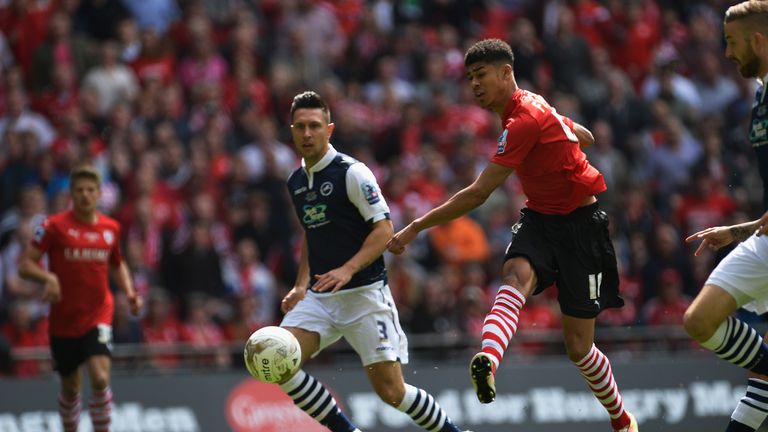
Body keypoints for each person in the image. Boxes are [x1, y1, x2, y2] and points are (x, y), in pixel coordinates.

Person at [387, 39, 638, 432]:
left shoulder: (523, 121)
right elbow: (584, 134)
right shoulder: (532, 107)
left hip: (582, 228)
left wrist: (417, 225)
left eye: (481, 75)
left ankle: (622, 421)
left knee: (579, 348)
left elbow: (478, 193)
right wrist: (566, 129)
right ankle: (488, 357)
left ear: (506, 73)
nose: (474, 85)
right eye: (470, 77)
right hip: (540, 219)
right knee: (515, 276)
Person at [278, 91, 469, 432]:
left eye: (315, 126)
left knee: (392, 393)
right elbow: (311, 232)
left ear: (329, 129)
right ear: (291, 130)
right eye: (301, 127)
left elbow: (384, 230)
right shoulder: (295, 181)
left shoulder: (353, 173)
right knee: (278, 360)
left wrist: (348, 269)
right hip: (320, 298)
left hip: (365, 296)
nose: (307, 134)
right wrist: (300, 284)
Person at [683, 3, 768, 432]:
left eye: (732, 42)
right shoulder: (760, 93)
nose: (727, 52)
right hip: (767, 241)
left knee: (761, 388)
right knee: (698, 320)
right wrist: (740, 229)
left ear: (757, 40)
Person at [19, 165, 142, 432]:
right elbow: (25, 265)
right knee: (71, 388)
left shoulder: (111, 229)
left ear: (99, 194)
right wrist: (48, 279)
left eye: (90, 190)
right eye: (79, 190)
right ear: (71, 195)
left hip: (98, 313)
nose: (85, 195)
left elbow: (117, 264)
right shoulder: (52, 227)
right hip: (64, 318)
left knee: (99, 378)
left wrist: (130, 292)